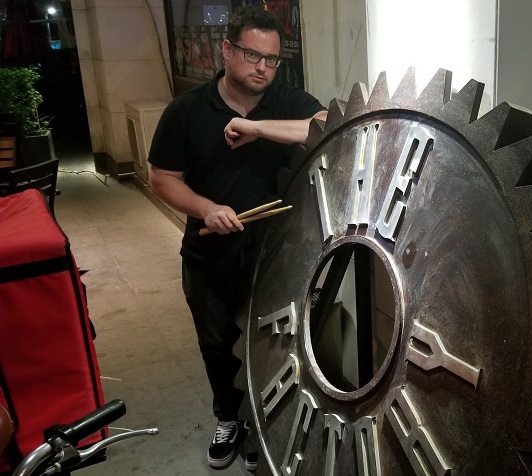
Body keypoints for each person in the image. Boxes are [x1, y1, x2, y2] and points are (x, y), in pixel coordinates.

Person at [147, 6, 326, 470]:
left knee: (280, 343)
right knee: (218, 343)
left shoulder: (284, 100)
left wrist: (258, 128)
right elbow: (161, 178)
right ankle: (229, 418)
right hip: (210, 253)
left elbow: (326, 126)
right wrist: (206, 208)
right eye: (252, 55)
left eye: (272, 59)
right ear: (226, 50)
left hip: (279, 256)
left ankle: (271, 424)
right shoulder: (187, 111)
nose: (262, 67)